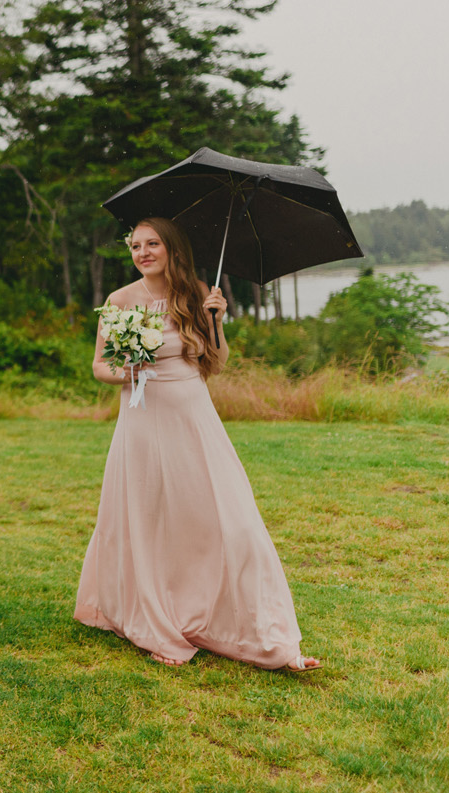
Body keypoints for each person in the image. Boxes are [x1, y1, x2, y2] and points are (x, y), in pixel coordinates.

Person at [75, 217, 321, 672]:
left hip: (194, 417)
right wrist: (129, 369)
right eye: (135, 246)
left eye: (152, 244)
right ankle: (156, 620)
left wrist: (218, 321)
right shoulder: (119, 301)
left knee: (230, 520)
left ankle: (263, 635)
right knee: (149, 520)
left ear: (171, 248)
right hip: (143, 421)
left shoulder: (197, 293)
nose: (143, 252)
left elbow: (216, 363)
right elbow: (99, 366)